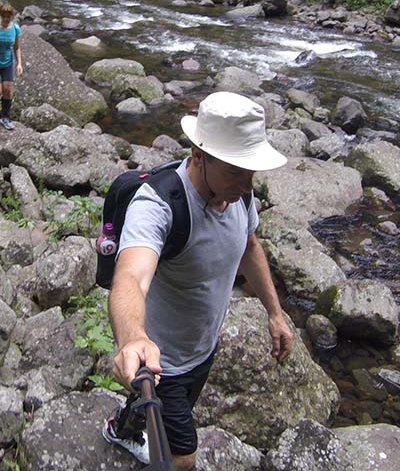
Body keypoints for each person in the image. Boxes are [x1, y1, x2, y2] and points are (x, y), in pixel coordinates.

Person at [103, 91, 293, 469]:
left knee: (163, 409)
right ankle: (132, 427)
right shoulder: (157, 205)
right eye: (236, 169)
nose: (247, 182)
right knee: (184, 457)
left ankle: (122, 427)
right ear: (198, 155)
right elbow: (131, 277)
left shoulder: (239, 193)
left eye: (250, 169)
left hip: (202, 348)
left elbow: (249, 245)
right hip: (161, 361)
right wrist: (134, 339)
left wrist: (275, 313)